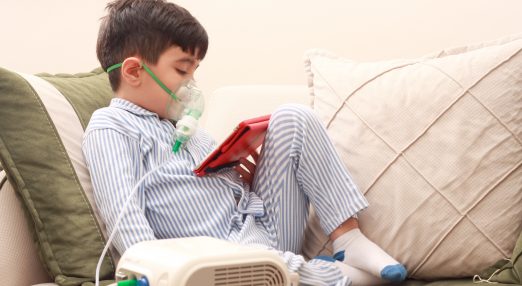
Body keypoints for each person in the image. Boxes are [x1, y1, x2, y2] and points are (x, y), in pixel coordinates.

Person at [82, 0, 407, 285]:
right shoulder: (111, 126)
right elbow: (127, 225)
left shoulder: (188, 129)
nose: (191, 84)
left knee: (294, 116)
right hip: (225, 254)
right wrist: (158, 273)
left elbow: (220, 187)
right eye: (182, 70)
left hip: (263, 225)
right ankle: (324, 275)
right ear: (134, 71)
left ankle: (348, 238)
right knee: (278, 271)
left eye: (194, 71)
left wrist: (240, 178)